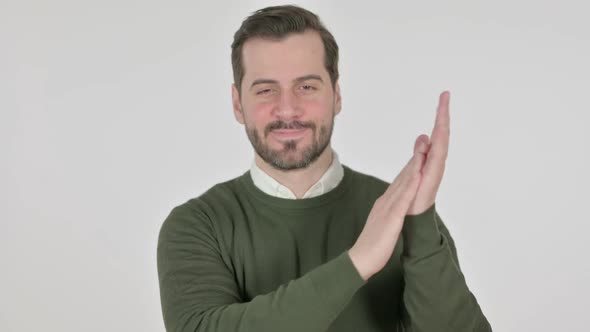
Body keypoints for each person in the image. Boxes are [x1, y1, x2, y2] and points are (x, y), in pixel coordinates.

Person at [157, 4, 492, 332]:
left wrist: (419, 221)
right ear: (237, 104)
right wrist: (359, 261)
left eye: (306, 86)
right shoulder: (197, 225)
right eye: (265, 90)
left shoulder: (402, 212)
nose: (287, 109)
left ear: (337, 96)